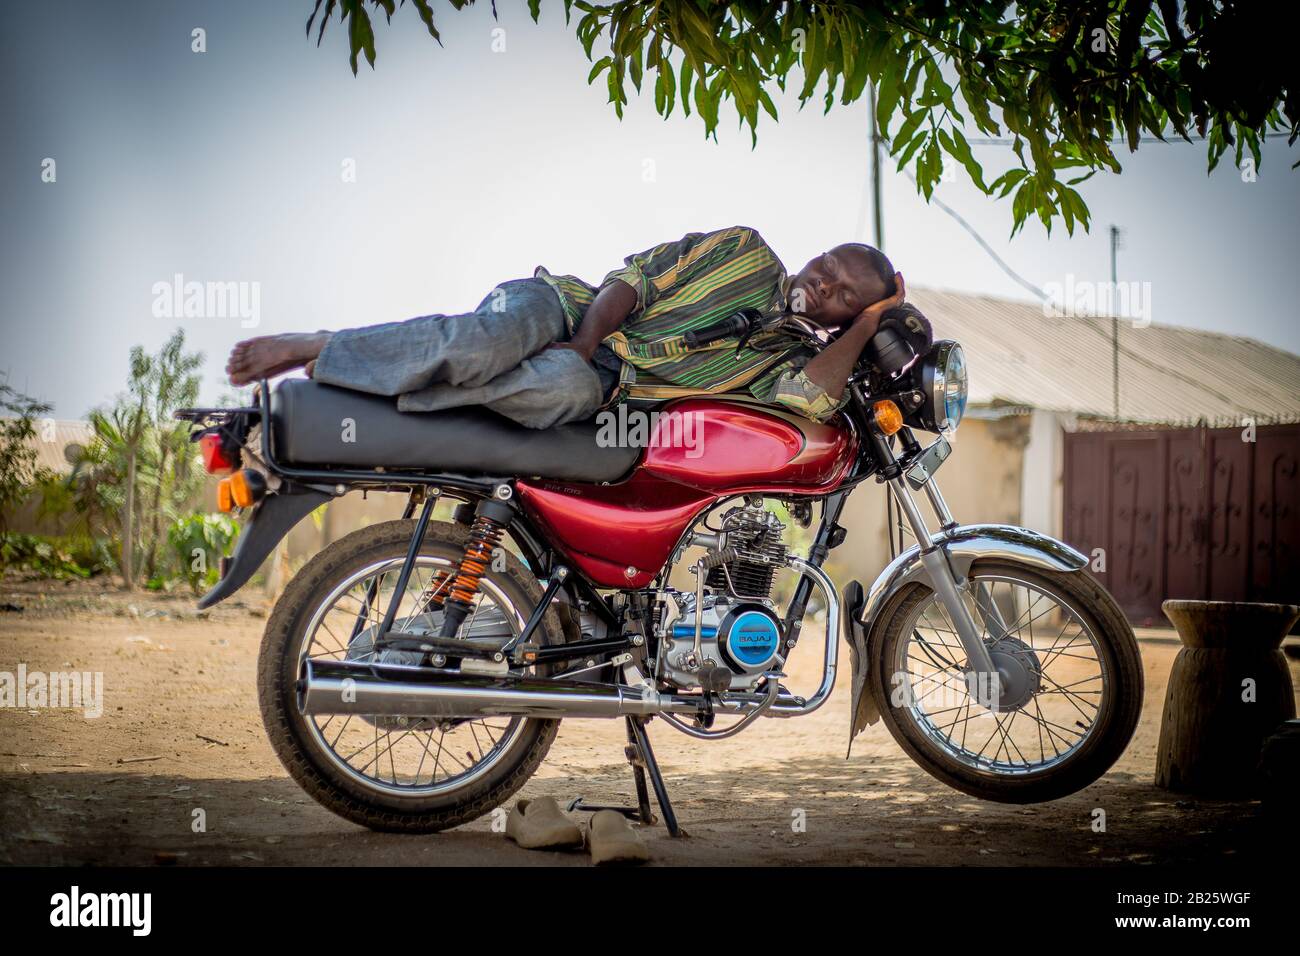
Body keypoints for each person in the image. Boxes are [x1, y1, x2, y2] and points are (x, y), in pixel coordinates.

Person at [225, 225, 906, 429]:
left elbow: (810, 400)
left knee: (557, 391)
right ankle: (322, 346)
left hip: (605, 385)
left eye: (844, 295)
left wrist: (871, 324)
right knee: (489, 344)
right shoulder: (745, 251)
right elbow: (633, 281)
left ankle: (362, 388)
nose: (824, 284)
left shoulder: (789, 359)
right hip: (568, 309)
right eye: (827, 266)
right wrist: (582, 342)